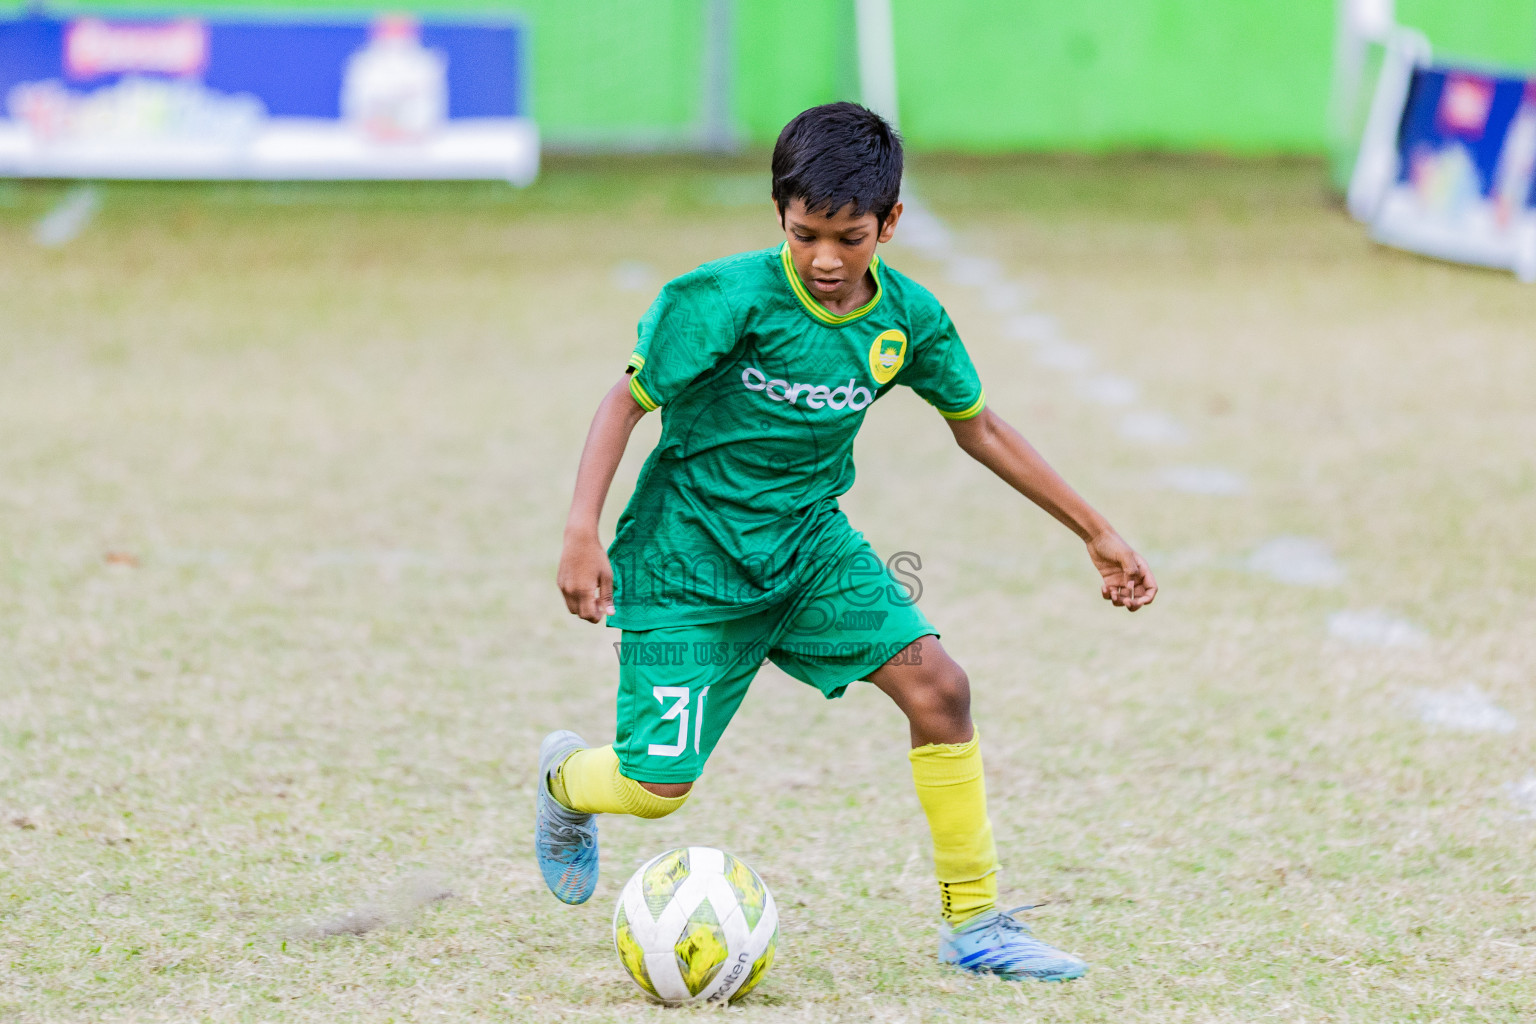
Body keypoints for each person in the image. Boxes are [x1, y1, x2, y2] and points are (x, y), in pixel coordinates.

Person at [538, 102, 1156, 983]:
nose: (826, 260)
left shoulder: (909, 321)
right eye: (805, 235)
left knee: (940, 689)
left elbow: (980, 429)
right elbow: (624, 402)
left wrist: (1096, 530)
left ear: (890, 223)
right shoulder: (721, 300)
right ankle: (567, 783)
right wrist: (580, 528)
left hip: (809, 552)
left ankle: (974, 923)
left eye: (850, 237)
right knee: (653, 790)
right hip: (687, 563)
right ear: (781, 218)